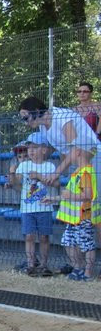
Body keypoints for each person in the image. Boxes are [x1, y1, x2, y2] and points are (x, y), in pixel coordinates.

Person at [18, 95, 101, 243]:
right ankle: (81, 262)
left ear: (36, 111)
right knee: (80, 212)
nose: (25, 123)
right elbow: (64, 151)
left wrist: (57, 173)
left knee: (97, 209)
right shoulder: (44, 128)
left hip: (94, 160)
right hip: (78, 166)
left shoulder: (62, 117)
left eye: (26, 118)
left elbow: (76, 148)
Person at [43, 146, 99, 281]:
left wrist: (70, 195)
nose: (68, 155)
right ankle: (78, 268)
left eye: (71, 151)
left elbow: (87, 195)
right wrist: (53, 199)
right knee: (68, 242)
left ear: (78, 152)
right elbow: (67, 194)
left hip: (83, 216)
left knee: (87, 244)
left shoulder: (86, 172)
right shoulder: (78, 173)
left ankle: (88, 273)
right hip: (73, 218)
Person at [6, 133, 57, 277]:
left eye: (35, 147)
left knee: (44, 237)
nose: (31, 151)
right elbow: (17, 183)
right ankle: (30, 264)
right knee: (29, 236)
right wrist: (12, 175)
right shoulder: (24, 165)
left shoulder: (49, 166)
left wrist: (40, 177)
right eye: (29, 148)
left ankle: (44, 264)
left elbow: (57, 183)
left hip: (44, 207)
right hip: (27, 209)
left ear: (44, 150)